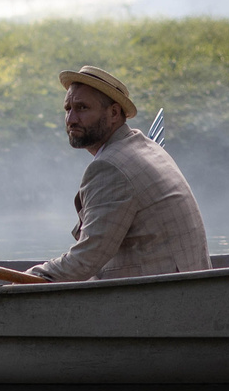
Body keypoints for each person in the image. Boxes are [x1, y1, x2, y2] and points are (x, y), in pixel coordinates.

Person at [26, 65, 210, 282]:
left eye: (82, 108)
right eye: (68, 109)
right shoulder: (147, 148)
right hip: (187, 284)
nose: (71, 119)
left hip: (163, 297)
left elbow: (85, 261)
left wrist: (25, 279)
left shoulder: (110, 168)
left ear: (114, 113)